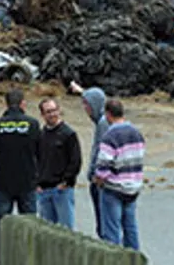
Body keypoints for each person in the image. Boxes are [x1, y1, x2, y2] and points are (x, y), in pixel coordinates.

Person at [0, 88, 41, 264]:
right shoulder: (32, 125)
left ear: (7, 103)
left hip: (3, 183)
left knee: (2, 230)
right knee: (30, 229)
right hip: (27, 183)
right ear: (23, 103)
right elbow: (38, 152)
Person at [92, 98, 144, 250]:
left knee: (112, 231)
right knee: (130, 228)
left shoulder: (110, 136)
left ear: (108, 114)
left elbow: (103, 165)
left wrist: (99, 179)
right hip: (133, 187)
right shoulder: (136, 133)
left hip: (114, 189)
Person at [69, 79, 110, 236]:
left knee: (105, 225)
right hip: (100, 180)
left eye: (86, 105)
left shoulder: (103, 124)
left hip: (100, 181)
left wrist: (95, 174)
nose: (85, 109)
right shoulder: (103, 120)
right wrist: (80, 91)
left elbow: (102, 151)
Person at [35, 97, 82, 229]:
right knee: (47, 232)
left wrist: (66, 182)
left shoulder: (68, 134)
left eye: (54, 110)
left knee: (66, 231)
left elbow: (75, 161)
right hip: (44, 191)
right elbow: (35, 159)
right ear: (42, 115)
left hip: (62, 190)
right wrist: (37, 183)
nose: (52, 114)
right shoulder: (40, 135)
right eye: (48, 112)